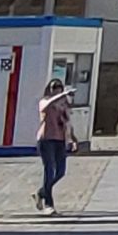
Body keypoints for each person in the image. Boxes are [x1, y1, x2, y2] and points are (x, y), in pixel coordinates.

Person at [33, 79, 74, 214]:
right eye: (53, 87)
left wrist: (72, 138)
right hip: (46, 139)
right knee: (49, 170)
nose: (56, 89)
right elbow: (46, 106)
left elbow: (68, 123)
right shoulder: (45, 102)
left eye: (59, 87)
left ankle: (41, 192)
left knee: (60, 171)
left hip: (60, 140)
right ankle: (48, 204)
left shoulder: (63, 105)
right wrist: (61, 96)